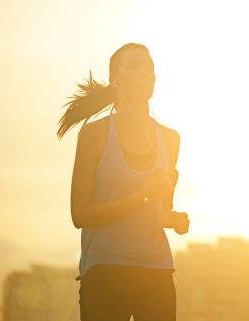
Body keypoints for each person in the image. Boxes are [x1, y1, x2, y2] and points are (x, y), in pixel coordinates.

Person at [56, 42, 190, 321]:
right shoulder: (95, 135)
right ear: (115, 78)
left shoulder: (170, 139)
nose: (145, 72)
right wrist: (142, 194)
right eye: (134, 66)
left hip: (157, 270)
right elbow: (79, 214)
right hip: (105, 271)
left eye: (149, 67)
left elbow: (158, 212)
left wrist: (174, 219)